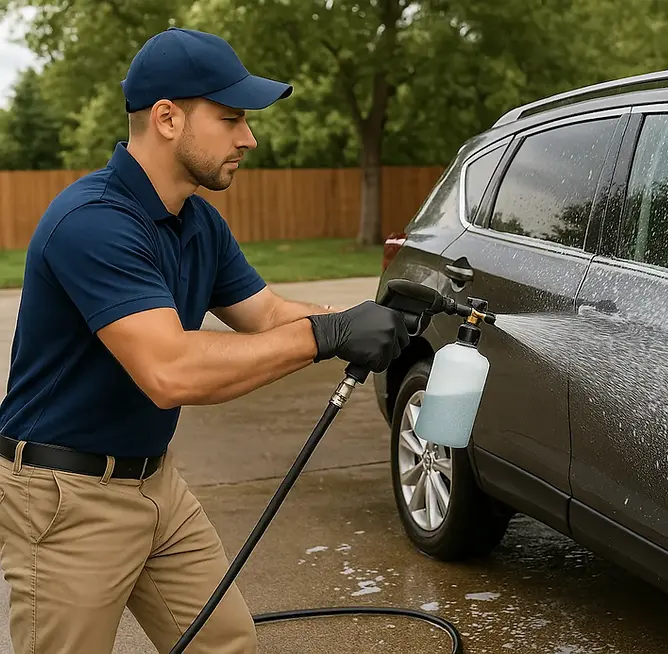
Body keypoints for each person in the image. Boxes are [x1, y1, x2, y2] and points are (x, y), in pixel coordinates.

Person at [0, 26, 409, 654]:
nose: (249, 138)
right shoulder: (94, 223)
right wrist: (327, 336)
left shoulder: (197, 222)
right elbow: (172, 372)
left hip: (156, 484)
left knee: (225, 643)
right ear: (167, 118)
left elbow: (268, 313)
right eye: (231, 118)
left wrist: (373, 318)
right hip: (65, 499)